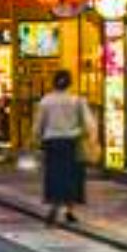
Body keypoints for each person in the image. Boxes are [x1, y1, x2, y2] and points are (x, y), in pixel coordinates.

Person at [35, 70, 96, 225]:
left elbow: (38, 125)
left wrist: (36, 138)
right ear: (70, 83)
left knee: (54, 174)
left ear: (53, 82)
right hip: (72, 142)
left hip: (52, 143)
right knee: (72, 176)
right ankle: (70, 210)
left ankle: (55, 203)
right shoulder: (77, 100)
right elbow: (89, 123)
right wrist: (92, 139)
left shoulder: (46, 101)